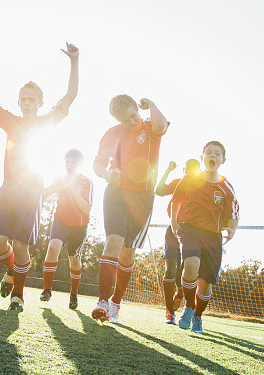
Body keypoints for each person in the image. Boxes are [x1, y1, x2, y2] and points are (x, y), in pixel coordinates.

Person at [0, 43, 79, 312]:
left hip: (32, 192)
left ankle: (17, 296)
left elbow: (70, 96)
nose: (27, 103)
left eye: (32, 99)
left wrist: (74, 62)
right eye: (23, 99)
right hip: (8, 189)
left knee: (20, 245)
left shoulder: (46, 121)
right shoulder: (10, 120)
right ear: (18, 102)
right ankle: (11, 270)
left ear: (40, 103)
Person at [92, 94, 168, 323]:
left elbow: (162, 125)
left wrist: (152, 104)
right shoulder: (112, 134)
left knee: (127, 252)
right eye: (125, 120)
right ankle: (102, 302)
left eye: (133, 116)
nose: (131, 122)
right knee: (113, 242)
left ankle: (115, 302)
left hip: (142, 198)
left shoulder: (151, 127)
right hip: (116, 193)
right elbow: (97, 165)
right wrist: (107, 174)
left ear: (138, 109)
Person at [170, 141, 239, 334]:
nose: (212, 156)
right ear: (202, 157)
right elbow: (175, 200)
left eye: (217, 154)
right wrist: (174, 223)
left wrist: (232, 229)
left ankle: (198, 316)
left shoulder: (226, 187)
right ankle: (188, 307)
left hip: (213, 236)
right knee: (191, 265)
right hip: (189, 230)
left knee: (205, 283)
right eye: (208, 152)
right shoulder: (189, 179)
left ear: (223, 160)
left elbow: (233, 214)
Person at [40, 149, 93, 309]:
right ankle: (47, 289)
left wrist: (73, 189)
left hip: (79, 226)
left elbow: (86, 208)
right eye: (67, 161)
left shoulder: (87, 182)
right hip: (61, 220)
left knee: (74, 259)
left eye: (73, 162)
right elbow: (44, 194)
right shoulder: (60, 179)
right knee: (53, 246)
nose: (69, 165)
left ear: (79, 165)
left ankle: (74, 293)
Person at [154, 158, 201, 324]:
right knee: (170, 270)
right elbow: (158, 191)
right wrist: (168, 170)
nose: (190, 172)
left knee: (186, 272)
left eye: (194, 169)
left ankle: (183, 296)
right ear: (184, 170)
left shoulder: (203, 188)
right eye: (188, 168)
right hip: (173, 232)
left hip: (192, 234)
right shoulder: (178, 183)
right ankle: (169, 311)